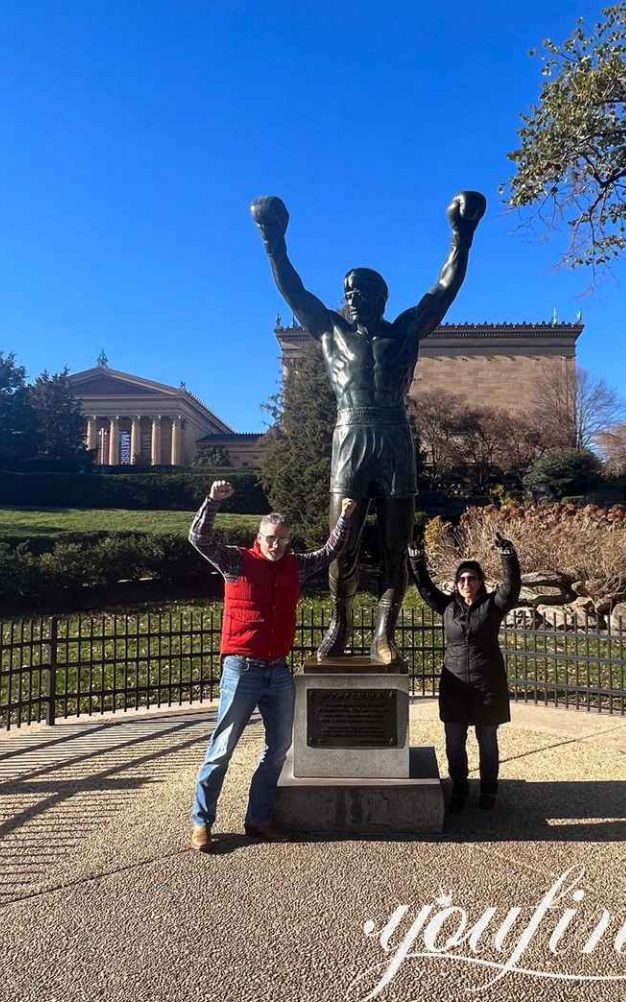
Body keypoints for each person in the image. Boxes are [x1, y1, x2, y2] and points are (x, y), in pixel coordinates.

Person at [250, 191, 486, 665]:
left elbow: (444, 289)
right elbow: (293, 290)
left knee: (396, 545)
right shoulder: (331, 332)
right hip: (350, 436)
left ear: (382, 297)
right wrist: (273, 240)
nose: (354, 297)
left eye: (363, 291)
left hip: (395, 438)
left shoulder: (404, 332)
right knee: (342, 543)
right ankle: (340, 621)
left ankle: (384, 633)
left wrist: (462, 235)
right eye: (349, 291)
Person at [189, 479, 356, 850]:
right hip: (241, 670)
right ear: (258, 537)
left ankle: (258, 819)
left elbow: (330, 551)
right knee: (222, 749)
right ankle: (202, 821)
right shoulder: (237, 560)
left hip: (278, 671)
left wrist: (344, 517)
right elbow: (199, 539)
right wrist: (212, 502)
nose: (275, 544)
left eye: (281, 538)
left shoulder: (295, 567)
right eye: (269, 538)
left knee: (278, 748)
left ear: (288, 540)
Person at [408, 534, 521, 813]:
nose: (466, 583)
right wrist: (416, 558)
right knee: (454, 743)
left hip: (487, 683)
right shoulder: (447, 607)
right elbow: (425, 588)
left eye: (471, 578)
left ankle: (489, 789)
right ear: (456, 584)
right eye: (461, 579)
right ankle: (459, 787)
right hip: (455, 685)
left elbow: (512, 587)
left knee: (488, 742)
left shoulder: (493, 606)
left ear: (481, 581)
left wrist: (507, 554)